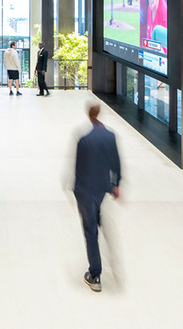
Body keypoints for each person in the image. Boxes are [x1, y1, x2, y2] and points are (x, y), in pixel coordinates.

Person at [73, 103, 121, 293]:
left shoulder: (84, 140)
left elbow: (79, 168)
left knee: (90, 231)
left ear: (89, 115)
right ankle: (97, 215)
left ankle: (95, 275)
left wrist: (76, 190)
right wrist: (116, 184)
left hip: (86, 189)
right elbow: (116, 163)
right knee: (95, 216)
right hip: (102, 188)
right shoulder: (110, 137)